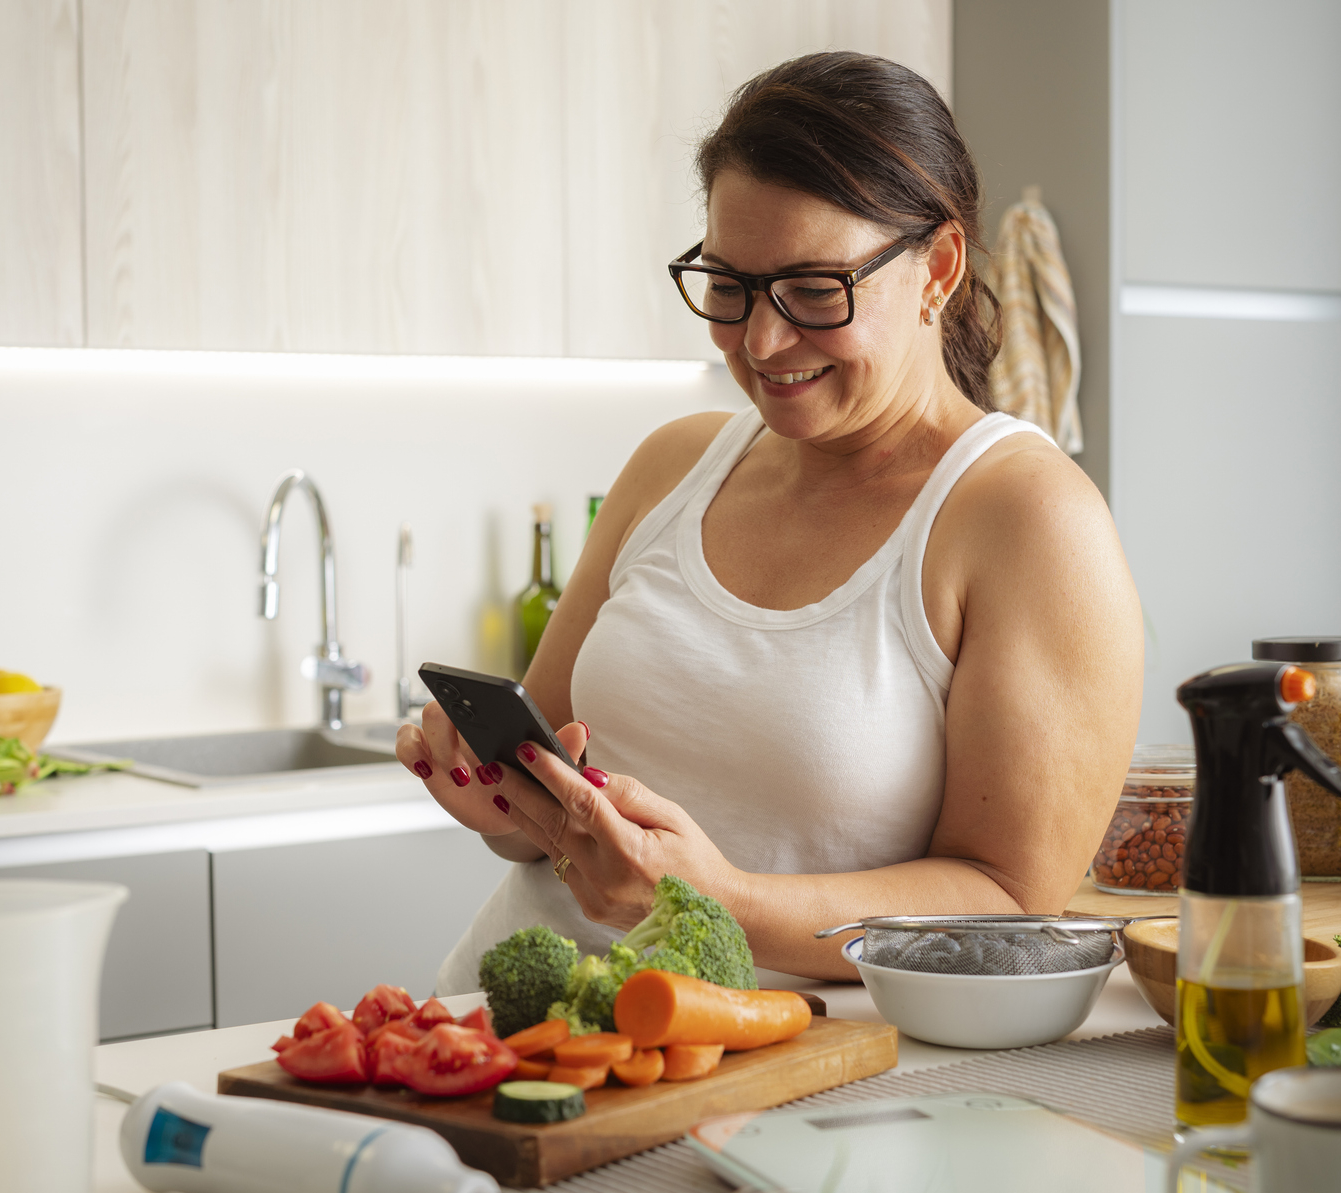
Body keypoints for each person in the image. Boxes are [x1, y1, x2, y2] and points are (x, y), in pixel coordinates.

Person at [399, 51, 1142, 992]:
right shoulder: (674, 463)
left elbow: (1007, 904)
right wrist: (484, 789)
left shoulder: (1027, 519)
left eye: (813, 290)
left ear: (938, 268)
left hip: (779, 1072)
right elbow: (543, 804)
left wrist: (720, 900)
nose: (759, 341)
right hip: (502, 1023)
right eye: (730, 285)